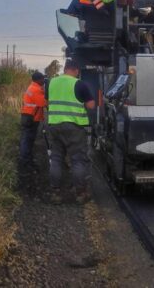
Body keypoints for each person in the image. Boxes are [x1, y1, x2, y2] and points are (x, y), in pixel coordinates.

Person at [45, 58, 96, 204]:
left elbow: (48, 103)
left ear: (65, 69)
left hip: (54, 126)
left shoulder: (51, 82)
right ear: (76, 70)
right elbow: (91, 105)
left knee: (55, 159)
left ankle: (55, 193)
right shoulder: (78, 84)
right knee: (77, 160)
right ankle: (80, 194)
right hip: (74, 128)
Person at [18, 71, 46, 186]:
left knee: (28, 139)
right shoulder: (36, 90)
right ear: (38, 80)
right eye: (42, 79)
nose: (44, 81)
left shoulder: (33, 87)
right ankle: (25, 161)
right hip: (31, 119)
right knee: (27, 139)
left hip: (28, 116)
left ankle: (27, 158)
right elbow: (44, 103)